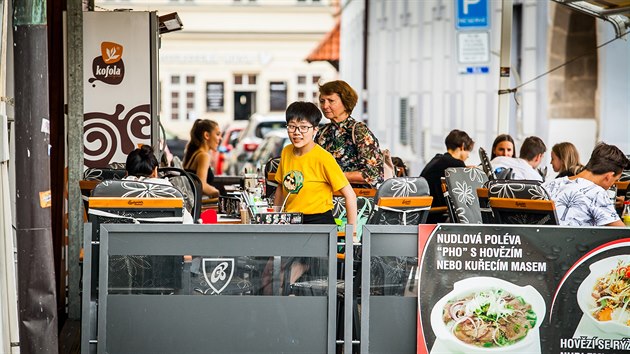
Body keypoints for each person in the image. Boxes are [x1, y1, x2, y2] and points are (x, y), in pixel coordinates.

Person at [274, 101, 357, 226]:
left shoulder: (324, 158)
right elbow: (281, 187)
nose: (297, 132)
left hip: (319, 223)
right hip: (291, 221)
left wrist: (353, 234)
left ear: (315, 130)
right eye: (292, 126)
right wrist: (275, 218)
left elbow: (350, 195)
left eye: (303, 127)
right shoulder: (286, 151)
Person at [315, 80, 384, 187]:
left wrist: (334, 176)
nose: (325, 106)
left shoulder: (358, 130)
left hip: (356, 198)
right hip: (326, 197)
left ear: (346, 102)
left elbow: (374, 174)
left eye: (331, 101)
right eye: (322, 101)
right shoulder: (322, 132)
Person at [543, 142, 630, 226]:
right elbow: (622, 232)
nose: (612, 185)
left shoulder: (550, 184)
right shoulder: (597, 193)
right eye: (615, 180)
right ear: (609, 176)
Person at [124, 145, 194, 224]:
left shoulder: (116, 190)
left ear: (127, 173)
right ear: (155, 172)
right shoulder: (169, 190)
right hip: (166, 235)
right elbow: (188, 222)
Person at [420, 129, 474, 222]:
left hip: (424, 213)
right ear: (462, 146)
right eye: (468, 151)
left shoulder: (437, 160)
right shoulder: (457, 166)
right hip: (437, 215)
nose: (468, 156)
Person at [182, 119, 222, 198]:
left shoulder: (194, 154)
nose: (220, 138)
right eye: (217, 134)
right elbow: (202, 185)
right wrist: (218, 193)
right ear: (206, 135)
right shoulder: (203, 156)